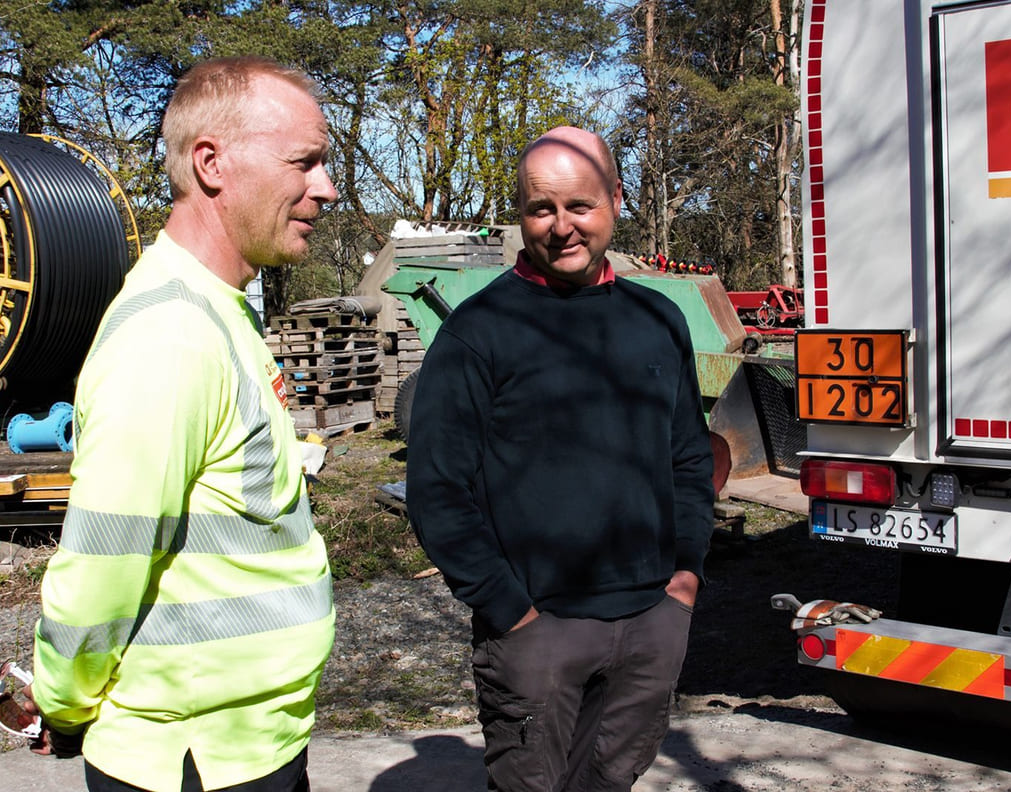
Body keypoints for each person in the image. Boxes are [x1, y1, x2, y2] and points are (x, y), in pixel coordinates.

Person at [28, 56, 338, 791]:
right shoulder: (168, 334)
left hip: (243, 744)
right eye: (305, 161)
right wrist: (62, 703)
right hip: (194, 759)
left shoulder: (215, 313)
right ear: (211, 163)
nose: (325, 188)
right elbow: (105, 562)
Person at [406, 126, 715, 792]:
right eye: (540, 209)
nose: (560, 227)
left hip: (650, 622)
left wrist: (684, 580)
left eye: (579, 205)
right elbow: (437, 489)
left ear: (616, 201)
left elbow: (688, 458)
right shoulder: (479, 332)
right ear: (520, 214)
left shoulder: (659, 319)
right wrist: (510, 611)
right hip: (537, 631)